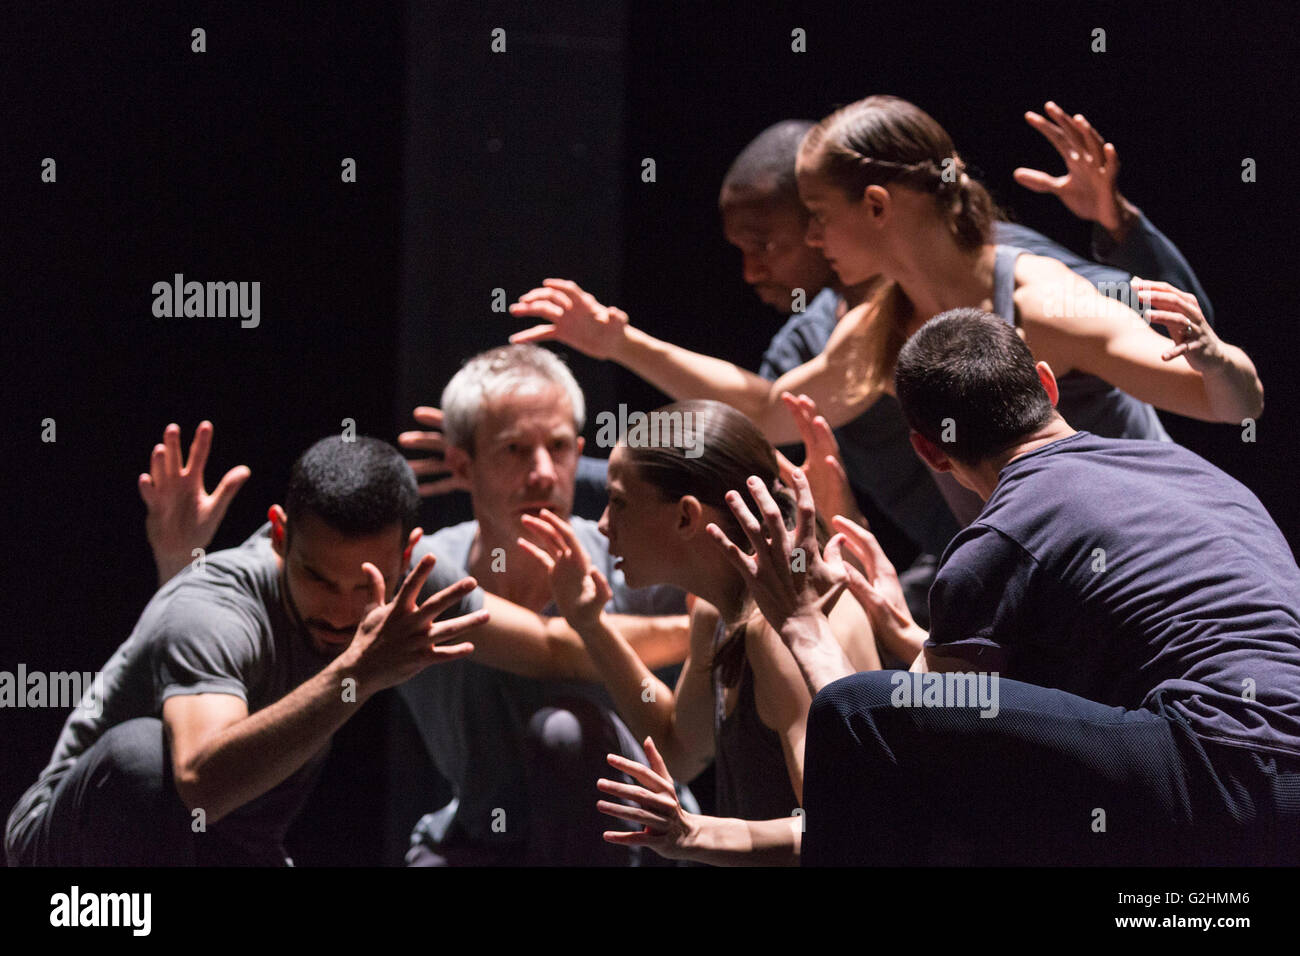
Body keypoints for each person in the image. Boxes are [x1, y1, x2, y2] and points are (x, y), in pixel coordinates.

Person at [607, 309, 1300, 866]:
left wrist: (805, 627)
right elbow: (985, 707)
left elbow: (896, 735)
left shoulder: (995, 541)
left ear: (927, 450)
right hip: (1264, 775)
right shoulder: (1196, 475)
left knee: (872, 713)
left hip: (1222, 776)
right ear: (1049, 385)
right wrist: (912, 636)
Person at [508, 97, 1262, 531]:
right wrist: (620, 340)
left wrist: (1213, 354)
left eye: (816, 215)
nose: (810, 238)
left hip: (1155, 549)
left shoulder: (1040, 300)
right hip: (1058, 577)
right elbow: (773, 409)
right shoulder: (878, 328)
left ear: (875, 206)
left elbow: (1232, 404)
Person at [6, 434, 490, 866]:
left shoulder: (415, 582)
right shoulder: (215, 604)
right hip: (67, 848)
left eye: (364, 586)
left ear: (404, 556)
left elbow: (547, 647)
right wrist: (357, 672)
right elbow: (198, 785)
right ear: (280, 536)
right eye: (317, 578)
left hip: (231, 847)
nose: (343, 613)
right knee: (142, 758)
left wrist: (570, 608)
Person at [517, 399, 887, 864]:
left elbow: (841, 829)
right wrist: (590, 625)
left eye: (620, 502)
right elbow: (679, 749)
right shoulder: (717, 613)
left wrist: (693, 834)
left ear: (686, 517)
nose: (604, 524)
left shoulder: (776, 633)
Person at [398, 345, 693, 866]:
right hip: (483, 836)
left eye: (558, 447)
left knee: (565, 733)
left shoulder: (635, 557)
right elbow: (550, 647)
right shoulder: (427, 568)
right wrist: (695, 631)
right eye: (513, 450)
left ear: (579, 454)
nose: (541, 472)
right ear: (461, 464)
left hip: (641, 842)